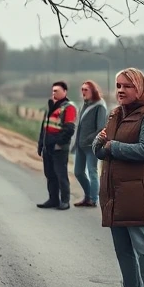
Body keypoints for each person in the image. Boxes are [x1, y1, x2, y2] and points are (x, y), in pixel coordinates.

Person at [93, 68, 144, 287]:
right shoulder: (115, 114)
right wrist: (100, 145)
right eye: (118, 85)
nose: (121, 90)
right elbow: (99, 149)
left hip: (137, 191)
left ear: (140, 88)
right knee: (122, 249)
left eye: (127, 86)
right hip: (114, 191)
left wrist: (111, 146)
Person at [37, 81, 77, 210]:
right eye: (53, 90)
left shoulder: (68, 107)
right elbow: (44, 127)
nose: (54, 93)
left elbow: (69, 129)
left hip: (59, 148)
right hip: (47, 146)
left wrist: (59, 143)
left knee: (61, 175)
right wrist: (40, 144)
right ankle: (53, 199)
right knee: (50, 174)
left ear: (65, 92)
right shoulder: (51, 106)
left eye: (57, 91)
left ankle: (65, 201)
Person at [72, 80, 107, 207]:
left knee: (92, 171)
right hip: (80, 145)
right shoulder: (84, 105)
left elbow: (101, 127)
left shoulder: (100, 106)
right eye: (82, 90)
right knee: (78, 172)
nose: (83, 92)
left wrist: (88, 139)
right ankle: (87, 196)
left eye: (86, 89)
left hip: (91, 146)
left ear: (93, 91)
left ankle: (93, 199)